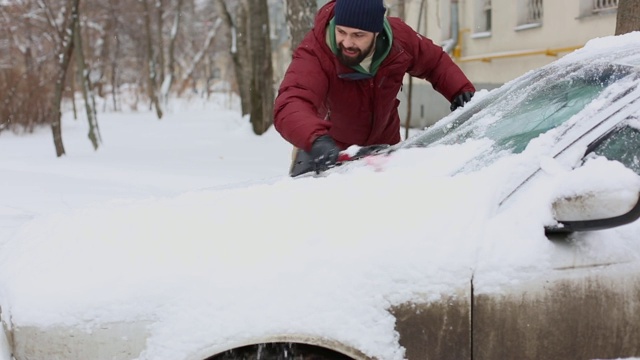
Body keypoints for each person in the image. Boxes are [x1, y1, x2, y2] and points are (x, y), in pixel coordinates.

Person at [273, 0, 476, 175]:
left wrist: (460, 90)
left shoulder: (399, 41)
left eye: (358, 35)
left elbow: (434, 62)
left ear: (376, 32)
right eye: (341, 32)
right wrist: (316, 139)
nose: (347, 42)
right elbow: (293, 100)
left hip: (385, 152)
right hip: (328, 155)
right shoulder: (317, 52)